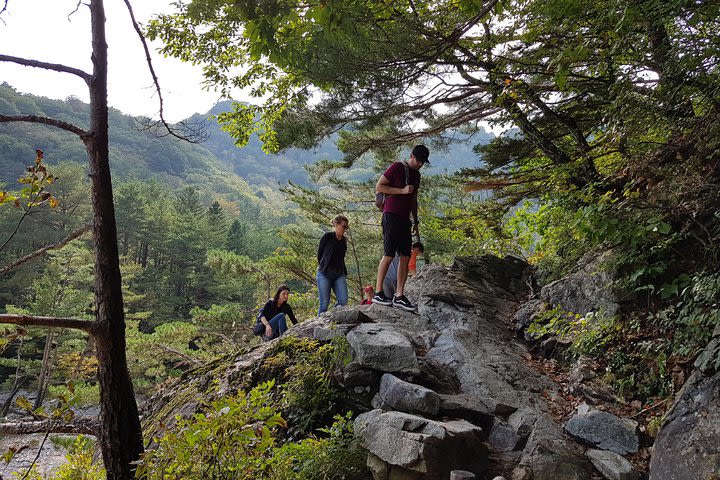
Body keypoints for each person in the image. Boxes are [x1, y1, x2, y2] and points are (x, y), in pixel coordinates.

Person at [372, 145, 429, 311]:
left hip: (405, 219)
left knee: (405, 256)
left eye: (423, 162)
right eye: (418, 160)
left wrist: (416, 220)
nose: (420, 164)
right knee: (389, 254)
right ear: (411, 155)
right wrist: (402, 190)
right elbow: (380, 186)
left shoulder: (416, 175)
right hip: (391, 215)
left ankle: (399, 295)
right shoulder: (397, 167)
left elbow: (414, 200)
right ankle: (378, 293)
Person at [316, 215, 350, 315]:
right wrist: (323, 266)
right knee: (324, 305)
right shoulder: (327, 237)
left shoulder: (344, 241)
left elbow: (341, 258)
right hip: (324, 273)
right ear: (336, 225)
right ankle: (319, 326)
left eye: (346, 227)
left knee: (343, 301)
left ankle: (330, 316)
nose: (345, 229)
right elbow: (320, 254)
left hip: (339, 274)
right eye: (344, 226)